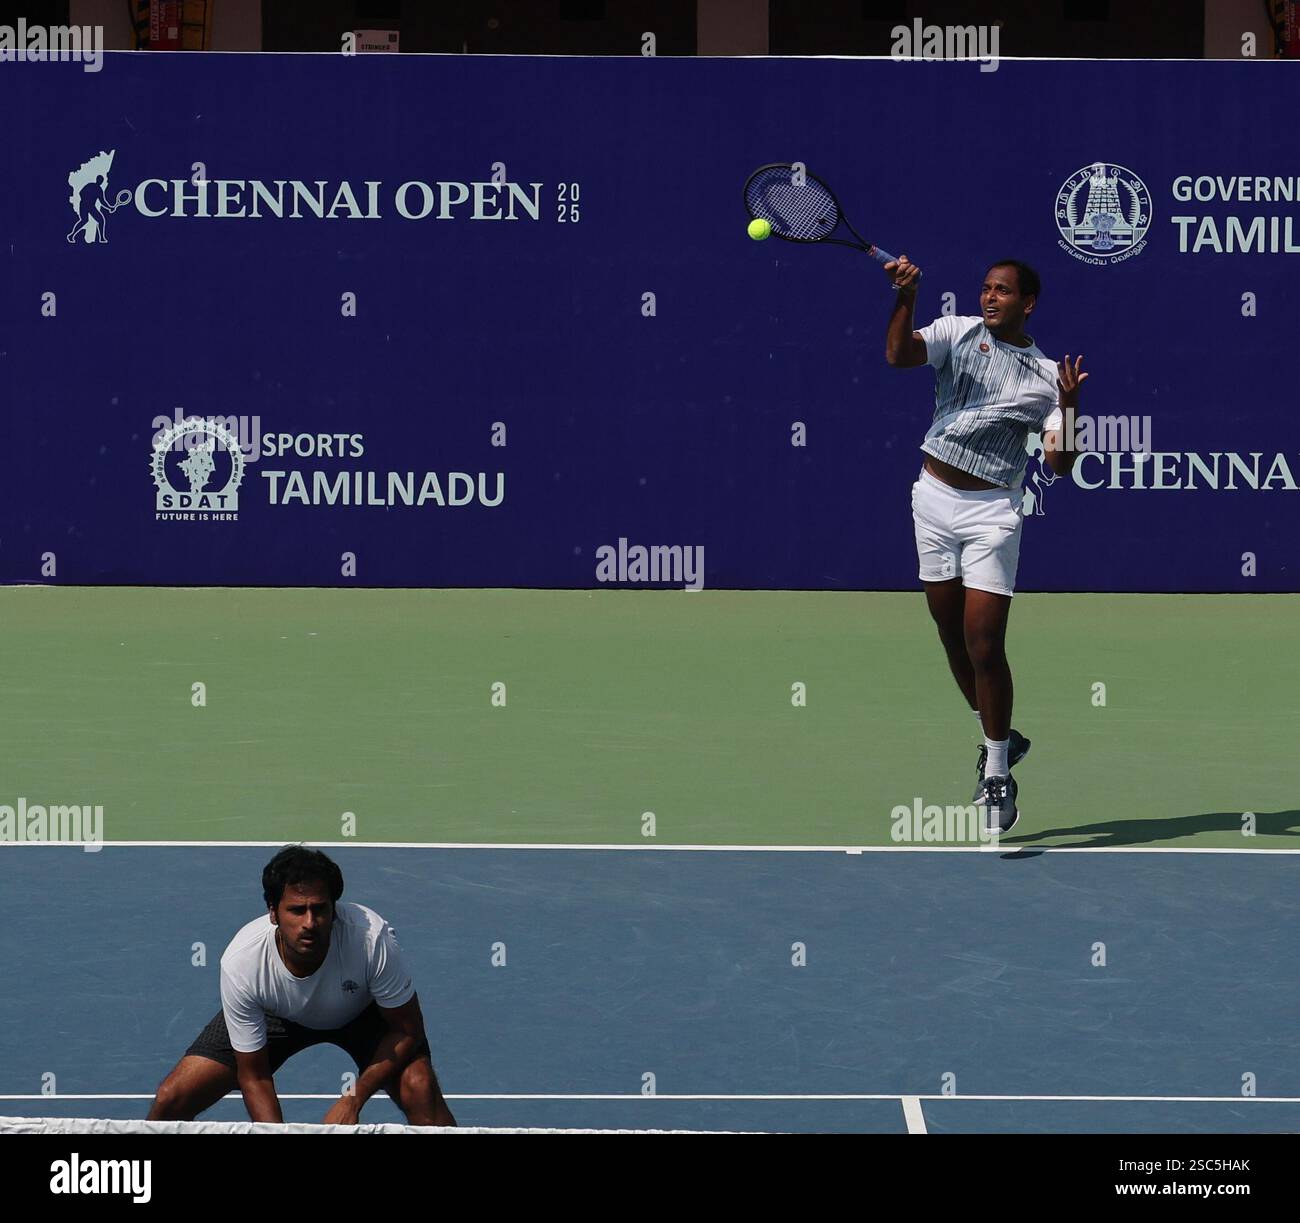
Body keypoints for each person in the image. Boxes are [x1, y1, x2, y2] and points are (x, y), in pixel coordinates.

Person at [884, 256, 1088, 832]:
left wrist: (1069, 407)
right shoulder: (954, 331)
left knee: (983, 642)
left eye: (1003, 291)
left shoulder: (1048, 377)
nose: (990, 297)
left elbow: (1061, 463)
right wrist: (907, 297)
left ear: (1028, 303)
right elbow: (899, 355)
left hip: (992, 513)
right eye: (986, 288)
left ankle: (997, 768)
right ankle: (1000, 732)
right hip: (933, 499)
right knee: (949, 633)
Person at [148, 845, 455, 1126]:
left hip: (362, 1011)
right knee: (172, 1097)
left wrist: (353, 1100)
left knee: (419, 1087)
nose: (309, 922)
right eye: (297, 910)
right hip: (276, 1013)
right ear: (273, 912)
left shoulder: (371, 940)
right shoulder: (243, 963)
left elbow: (407, 1030)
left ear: (334, 909)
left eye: (319, 909)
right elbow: (254, 1076)